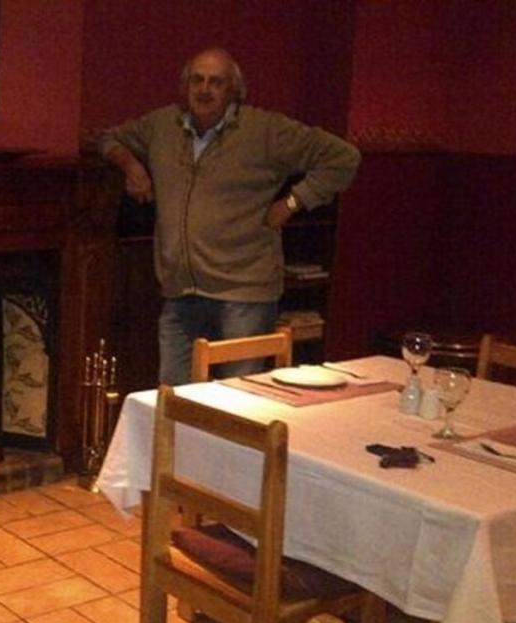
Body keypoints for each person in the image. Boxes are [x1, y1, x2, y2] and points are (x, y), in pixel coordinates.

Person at [100, 47, 360, 384]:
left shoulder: (266, 130)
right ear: (185, 86)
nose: (204, 89)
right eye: (197, 80)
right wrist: (130, 164)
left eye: (216, 82)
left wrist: (293, 202)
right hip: (180, 293)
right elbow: (109, 138)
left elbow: (344, 158)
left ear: (234, 90)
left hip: (243, 297)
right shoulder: (161, 126)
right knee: (173, 399)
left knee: (239, 399)